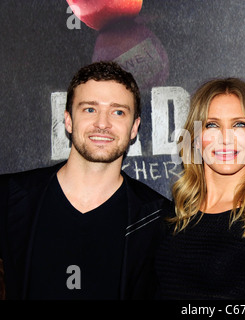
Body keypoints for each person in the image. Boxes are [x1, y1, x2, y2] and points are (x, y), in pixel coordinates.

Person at [0, 61, 168, 299]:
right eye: (90, 109)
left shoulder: (158, 220)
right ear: (68, 121)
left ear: (134, 128)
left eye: (118, 111)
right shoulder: (9, 199)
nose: (102, 123)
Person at [155, 78, 245, 300]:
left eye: (239, 125)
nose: (225, 139)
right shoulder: (174, 216)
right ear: (195, 139)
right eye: (212, 125)